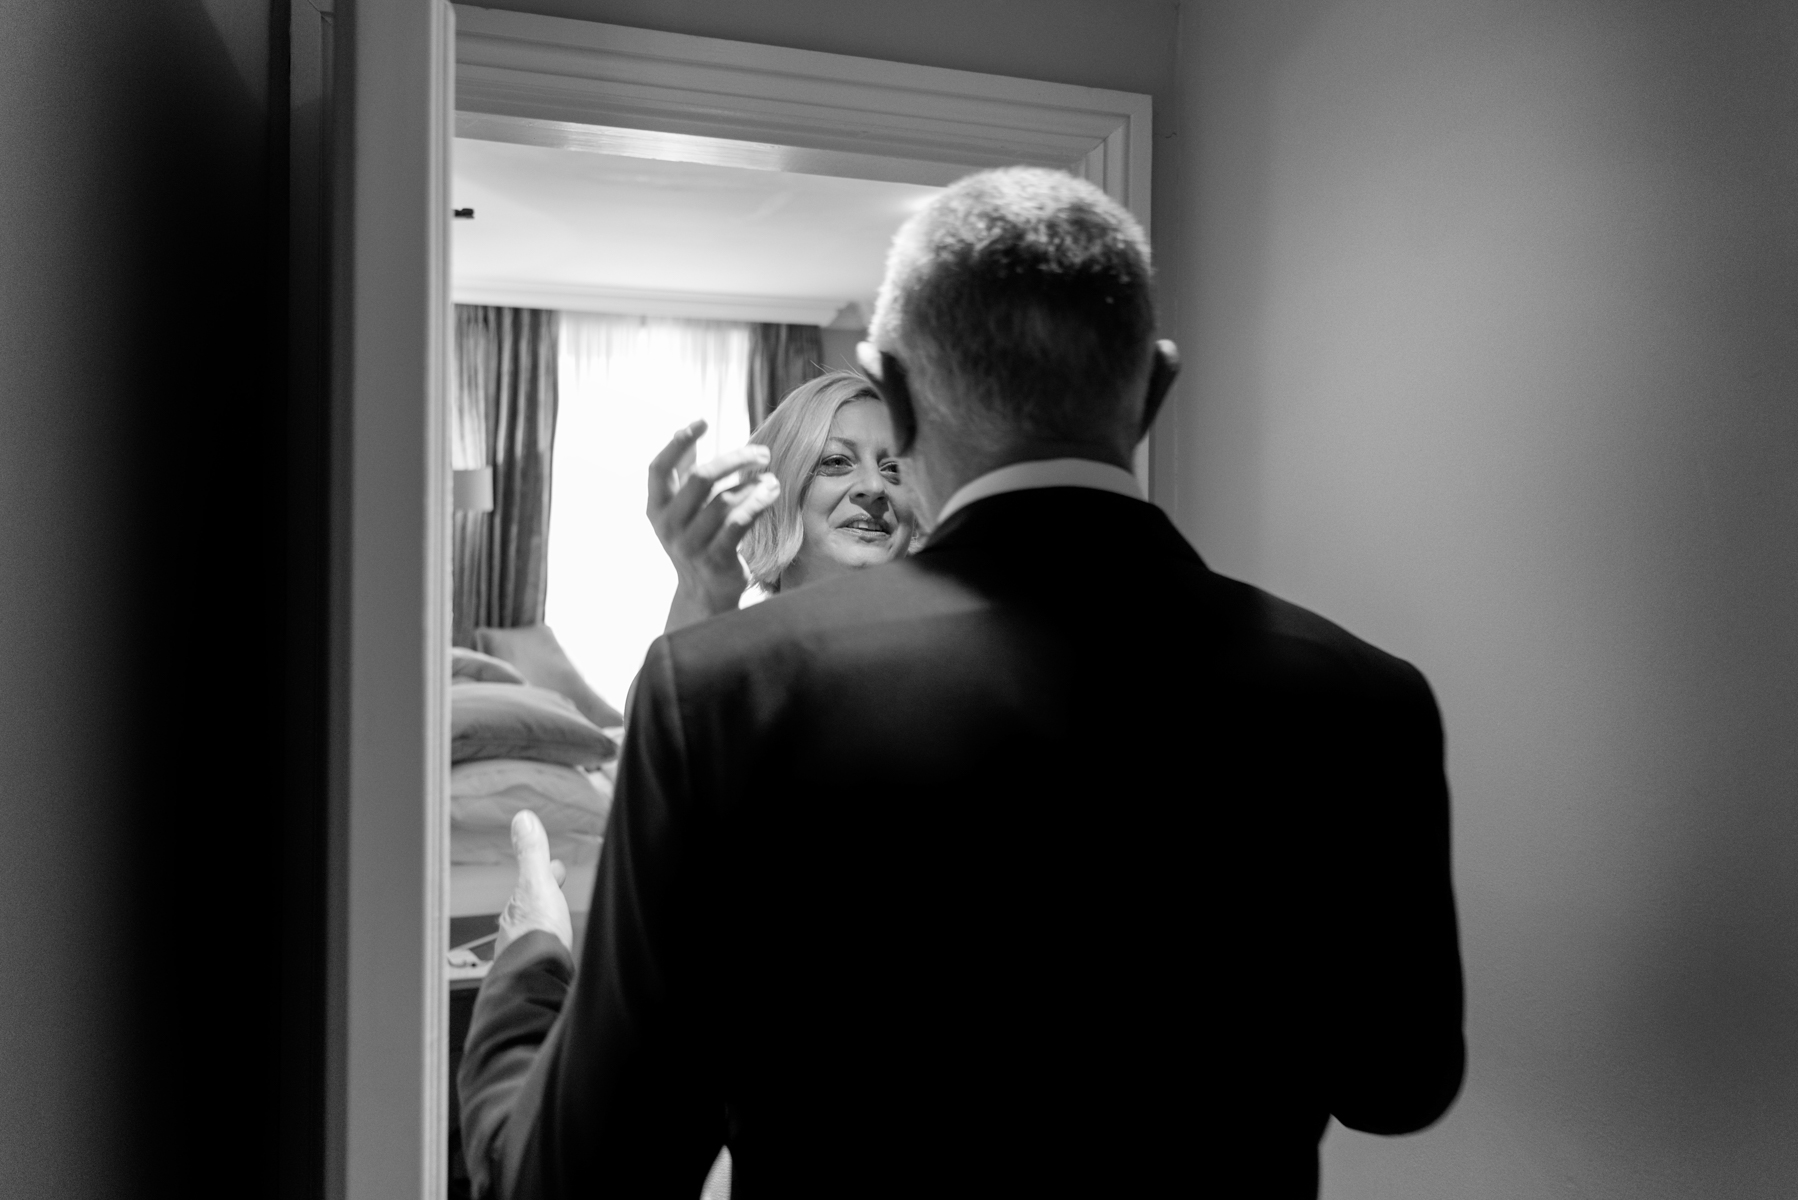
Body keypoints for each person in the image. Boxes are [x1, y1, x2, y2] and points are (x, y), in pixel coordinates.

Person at [459, 166, 1466, 1199]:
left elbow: (580, 1178)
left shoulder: (724, 693)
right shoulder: (1363, 701)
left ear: (894, 393)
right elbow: (1399, 1085)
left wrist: (531, 959)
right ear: (1157, 384)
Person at [646, 370, 923, 637]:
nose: (875, 486)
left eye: (894, 468)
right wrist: (701, 597)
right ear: (776, 491)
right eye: (837, 462)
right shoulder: (736, 655)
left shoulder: (952, 652)